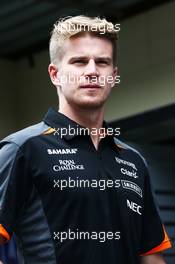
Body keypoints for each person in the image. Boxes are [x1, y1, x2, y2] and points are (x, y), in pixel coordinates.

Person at [0, 15, 173, 264]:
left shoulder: (134, 161)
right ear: (55, 74)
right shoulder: (23, 150)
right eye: (80, 61)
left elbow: (152, 258)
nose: (92, 71)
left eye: (101, 62)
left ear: (113, 75)